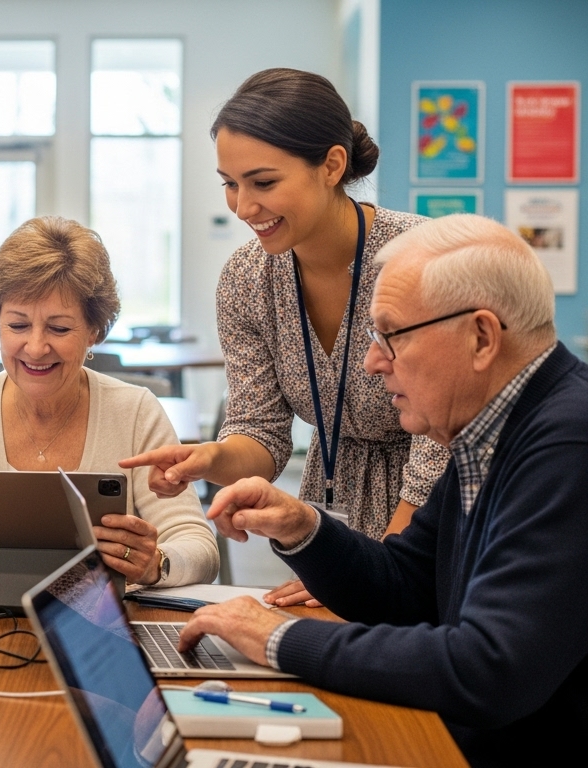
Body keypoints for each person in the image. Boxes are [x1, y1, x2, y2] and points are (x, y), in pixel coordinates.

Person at [176, 215, 588, 766]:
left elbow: (489, 668)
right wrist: (306, 530)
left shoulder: (566, 444)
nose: (374, 362)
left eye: (391, 335)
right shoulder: (494, 428)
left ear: (482, 337)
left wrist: (276, 637)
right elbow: (407, 588)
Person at [121, 68, 449, 607]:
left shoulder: (419, 257)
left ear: (332, 165)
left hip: (434, 512)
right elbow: (262, 434)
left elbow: (439, 439)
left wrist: (378, 571)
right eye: (230, 183)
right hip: (336, 503)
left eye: (264, 182)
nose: (244, 207)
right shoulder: (247, 278)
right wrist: (211, 458)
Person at [0, 216, 219, 586]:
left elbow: (199, 546)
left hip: (101, 630)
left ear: (94, 330)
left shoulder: (135, 411)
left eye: (59, 328)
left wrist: (156, 563)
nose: (35, 347)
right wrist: (15, 575)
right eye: (17, 325)